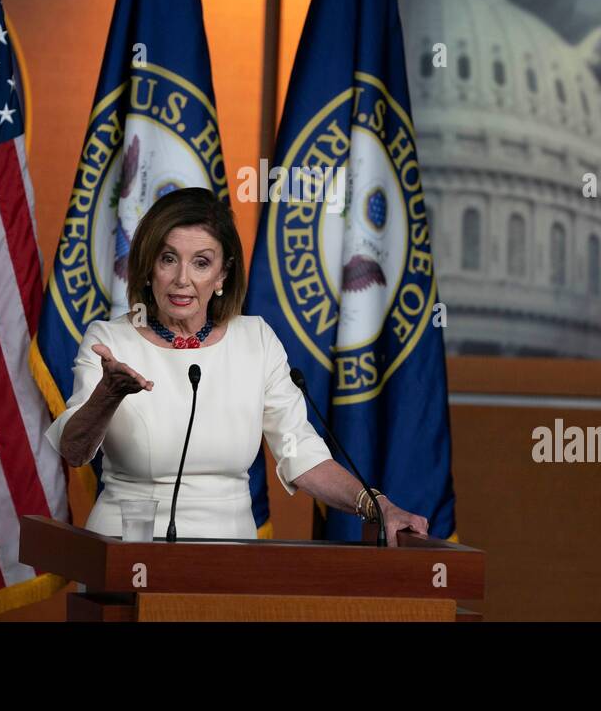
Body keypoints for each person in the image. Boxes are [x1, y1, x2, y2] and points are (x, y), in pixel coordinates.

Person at [44, 186, 429, 545]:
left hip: (230, 560)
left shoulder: (255, 340)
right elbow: (74, 451)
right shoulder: (111, 341)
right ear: (148, 267)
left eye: (201, 263)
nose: (182, 280)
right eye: (168, 259)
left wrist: (376, 506)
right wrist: (105, 398)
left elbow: (303, 454)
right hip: (127, 553)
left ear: (223, 274)